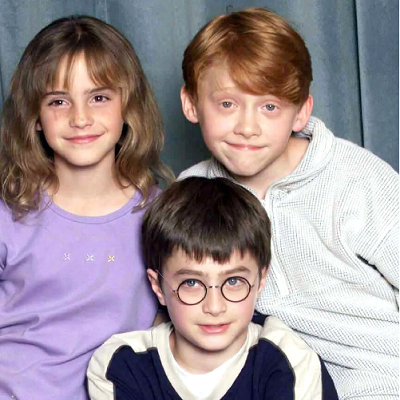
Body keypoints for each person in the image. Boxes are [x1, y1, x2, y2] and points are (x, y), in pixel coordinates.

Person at [177, 7, 399, 400]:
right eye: (227, 104)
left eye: (269, 107)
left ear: (300, 113)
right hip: (279, 385)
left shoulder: (357, 179)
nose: (247, 127)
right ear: (192, 104)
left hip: (380, 378)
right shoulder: (190, 194)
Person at [0, 16, 173, 400]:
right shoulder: (8, 214)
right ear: (35, 117)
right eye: (58, 101)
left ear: (128, 106)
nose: (80, 118)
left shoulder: (161, 215)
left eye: (99, 98)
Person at [87, 177, 338, 399]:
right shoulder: (121, 364)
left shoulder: (291, 363)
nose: (215, 307)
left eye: (233, 281)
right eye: (192, 283)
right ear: (158, 287)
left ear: (261, 280)